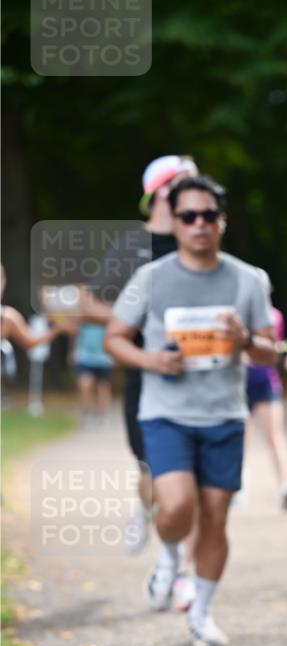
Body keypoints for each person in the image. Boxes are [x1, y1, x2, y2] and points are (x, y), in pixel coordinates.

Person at [105, 175, 277, 646]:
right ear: (174, 222)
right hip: (165, 412)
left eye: (208, 216)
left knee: (216, 518)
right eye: (188, 217)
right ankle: (168, 551)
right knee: (178, 505)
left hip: (224, 415)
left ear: (222, 221)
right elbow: (114, 337)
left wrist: (244, 339)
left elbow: (270, 353)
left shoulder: (247, 279)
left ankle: (201, 611)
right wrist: (151, 360)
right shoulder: (152, 277)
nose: (199, 225)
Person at [83, 155, 199, 555]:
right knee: (152, 469)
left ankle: (175, 563)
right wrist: (134, 319)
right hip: (146, 378)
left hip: (197, 377)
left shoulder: (198, 238)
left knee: (188, 478)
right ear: (163, 191)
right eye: (189, 181)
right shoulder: (133, 244)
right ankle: (145, 513)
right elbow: (89, 304)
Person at [244, 274, 287, 511]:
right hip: (239, 384)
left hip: (266, 382)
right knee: (241, 441)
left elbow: (279, 345)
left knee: (274, 437)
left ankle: (286, 486)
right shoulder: (238, 317)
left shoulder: (274, 316)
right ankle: (238, 488)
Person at [71, 321, 113, 424]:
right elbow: (74, 333)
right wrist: (72, 353)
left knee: (102, 387)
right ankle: (87, 413)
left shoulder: (106, 314)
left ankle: (102, 415)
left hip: (103, 357)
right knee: (85, 384)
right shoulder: (84, 313)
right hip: (84, 356)